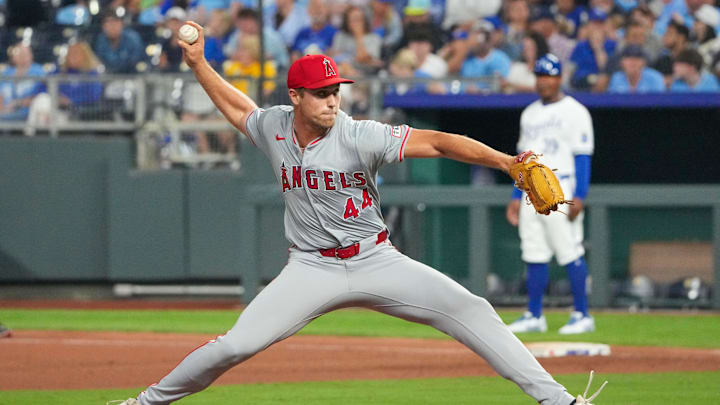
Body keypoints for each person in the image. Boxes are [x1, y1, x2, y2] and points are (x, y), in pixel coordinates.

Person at [109, 21, 607, 405]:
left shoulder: (358, 133)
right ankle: (146, 401)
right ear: (295, 96)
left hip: (376, 260)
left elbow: (436, 141)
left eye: (335, 90)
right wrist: (198, 65)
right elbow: (239, 109)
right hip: (311, 267)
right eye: (321, 93)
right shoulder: (275, 128)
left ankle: (560, 400)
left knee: (471, 308)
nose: (331, 100)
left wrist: (503, 161)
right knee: (234, 346)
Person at [505, 54, 596, 335]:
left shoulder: (575, 111)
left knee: (569, 249)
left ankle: (582, 314)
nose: (544, 81)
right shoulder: (529, 113)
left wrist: (580, 194)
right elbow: (521, 160)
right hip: (530, 187)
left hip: (561, 185)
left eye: (549, 76)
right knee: (533, 251)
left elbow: (583, 156)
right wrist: (514, 196)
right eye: (540, 76)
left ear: (559, 78)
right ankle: (535, 314)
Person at [0, 44, 46, 122]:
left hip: (29, 113)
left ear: (31, 55)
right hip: (5, 113)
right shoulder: (6, 72)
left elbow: (40, 95)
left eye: (25, 54)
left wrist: (17, 103)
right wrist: (2, 111)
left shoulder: (38, 71)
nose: (22, 56)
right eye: (19, 53)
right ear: (13, 57)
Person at [93, 8, 145, 74]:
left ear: (121, 24)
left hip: (133, 76)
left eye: (115, 22)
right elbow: (99, 62)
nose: (112, 26)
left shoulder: (132, 38)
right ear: (103, 27)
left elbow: (136, 62)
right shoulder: (100, 40)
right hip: (108, 77)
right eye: (108, 22)